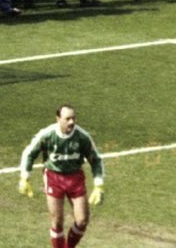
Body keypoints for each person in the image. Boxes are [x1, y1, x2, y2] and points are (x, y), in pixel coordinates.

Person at [19, 104, 105, 248]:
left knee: (82, 220)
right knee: (57, 221)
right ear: (58, 119)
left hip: (75, 178)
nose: (71, 122)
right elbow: (29, 153)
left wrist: (99, 184)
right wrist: (24, 177)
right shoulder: (47, 135)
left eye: (73, 118)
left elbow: (95, 159)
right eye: (67, 119)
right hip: (54, 178)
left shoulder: (82, 137)